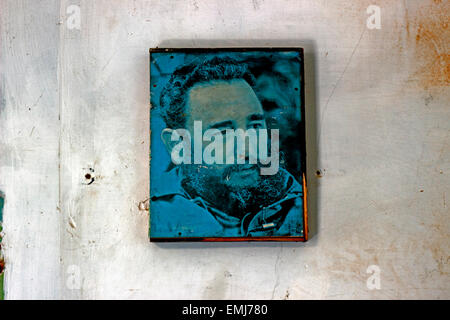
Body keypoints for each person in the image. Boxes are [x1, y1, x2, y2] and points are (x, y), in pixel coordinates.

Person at [150, 56, 304, 238]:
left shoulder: (298, 204)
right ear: (178, 145)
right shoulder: (156, 215)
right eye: (223, 133)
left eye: (255, 126)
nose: (248, 149)